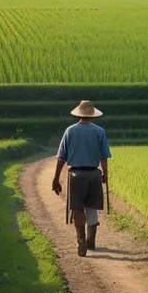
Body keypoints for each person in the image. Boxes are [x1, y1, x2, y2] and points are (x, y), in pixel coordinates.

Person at [52, 100, 111, 257]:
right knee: (91, 206)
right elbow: (104, 157)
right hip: (93, 174)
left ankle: (81, 239)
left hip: (76, 175)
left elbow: (61, 158)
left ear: (78, 114)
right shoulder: (99, 132)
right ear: (92, 115)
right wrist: (105, 174)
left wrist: (56, 178)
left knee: (77, 208)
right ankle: (91, 239)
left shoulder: (70, 131)